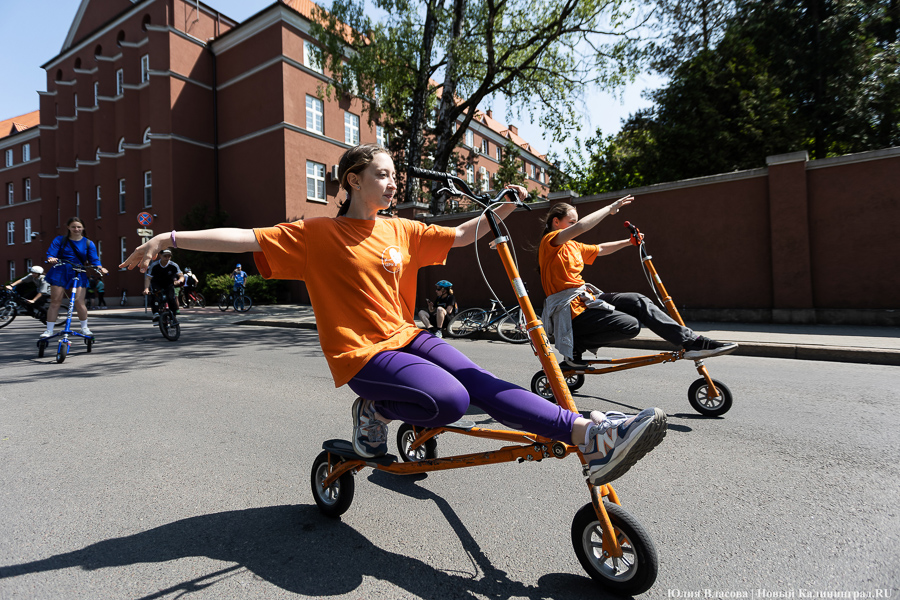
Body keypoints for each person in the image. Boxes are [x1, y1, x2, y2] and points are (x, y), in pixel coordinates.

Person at [120, 143, 666, 487]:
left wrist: (497, 207)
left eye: (393, 174)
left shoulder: (400, 228)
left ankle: (588, 436)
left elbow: (458, 235)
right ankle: (374, 413)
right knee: (449, 400)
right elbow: (241, 238)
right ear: (352, 180)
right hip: (362, 352)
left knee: (480, 380)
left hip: (408, 335)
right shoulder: (318, 234)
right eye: (382, 173)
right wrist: (166, 238)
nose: (393, 181)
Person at [538, 200, 738, 367]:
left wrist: (628, 242)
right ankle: (575, 347)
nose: (575, 225)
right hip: (569, 309)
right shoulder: (550, 242)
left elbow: (599, 249)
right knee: (630, 325)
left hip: (584, 298)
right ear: (556, 222)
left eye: (574, 222)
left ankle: (692, 342)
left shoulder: (572, 245)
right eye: (571, 222)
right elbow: (582, 227)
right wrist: (610, 209)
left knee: (638, 301)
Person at [42, 217, 107, 338]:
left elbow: (94, 259)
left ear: (83, 228)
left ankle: (85, 328)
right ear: (68, 228)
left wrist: (100, 267)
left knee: (79, 301)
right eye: (73, 227)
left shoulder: (88, 243)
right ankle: (49, 330)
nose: (76, 229)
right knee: (55, 302)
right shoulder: (60, 240)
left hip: (78, 271)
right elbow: (51, 252)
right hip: (60, 271)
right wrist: (51, 258)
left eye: (78, 227)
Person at [143, 248, 184, 322]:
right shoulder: (154, 265)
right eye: (165, 256)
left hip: (168, 284)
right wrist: (146, 288)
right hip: (157, 283)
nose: (167, 258)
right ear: (160, 255)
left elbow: (181, 276)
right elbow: (148, 278)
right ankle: (155, 313)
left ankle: (173, 316)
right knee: (155, 295)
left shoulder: (173, 265)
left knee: (171, 298)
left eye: (169, 256)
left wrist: (179, 281)